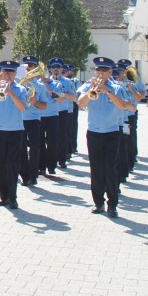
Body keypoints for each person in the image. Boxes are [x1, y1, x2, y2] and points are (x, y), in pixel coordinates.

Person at [76, 56, 136, 218]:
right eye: (98, 70)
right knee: (96, 169)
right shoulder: (88, 85)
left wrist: (107, 91)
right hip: (94, 132)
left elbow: (125, 106)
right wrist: (92, 91)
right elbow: (80, 104)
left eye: (104, 70)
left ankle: (112, 204)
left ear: (110, 72)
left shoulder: (117, 87)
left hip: (112, 132)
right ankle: (98, 202)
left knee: (110, 169)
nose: (100, 73)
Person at [0, 60, 27, 208]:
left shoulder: (21, 89)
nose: (8, 75)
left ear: (15, 74)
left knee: (13, 164)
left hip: (15, 130)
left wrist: (10, 92)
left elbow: (22, 107)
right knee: (1, 164)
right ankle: (4, 196)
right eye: (6, 72)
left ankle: (13, 197)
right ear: (1, 73)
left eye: (11, 72)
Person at [18, 55, 48, 186]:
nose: (28, 68)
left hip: (34, 119)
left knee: (35, 148)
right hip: (20, 119)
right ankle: (25, 175)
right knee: (21, 148)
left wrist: (34, 101)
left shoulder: (39, 86)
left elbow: (44, 106)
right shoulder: (18, 83)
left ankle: (33, 174)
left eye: (31, 66)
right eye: (26, 66)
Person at [46, 58, 75, 170]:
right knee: (50, 139)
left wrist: (60, 94)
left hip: (62, 111)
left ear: (62, 69)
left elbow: (73, 97)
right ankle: (51, 161)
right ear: (50, 69)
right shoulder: (46, 81)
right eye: (53, 67)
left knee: (62, 137)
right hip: (50, 113)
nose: (56, 69)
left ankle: (62, 160)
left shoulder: (67, 82)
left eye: (58, 67)